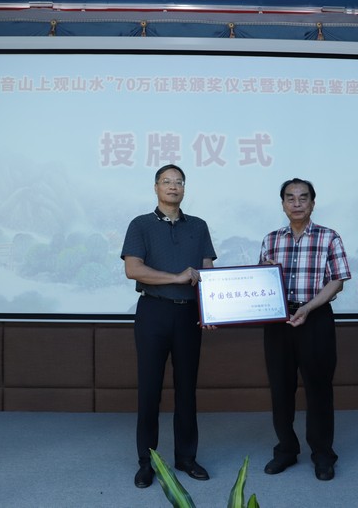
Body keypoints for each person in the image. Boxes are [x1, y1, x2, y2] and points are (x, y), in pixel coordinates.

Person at [121, 164, 217, 489]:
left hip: (189, 314)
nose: (173, 186)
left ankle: (186, 458)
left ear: (184, 189)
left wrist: (211, 310)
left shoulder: (199, 226)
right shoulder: (140, 224)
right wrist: (176, 277)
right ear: (156, 187)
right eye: (167, 181)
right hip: (153, 311)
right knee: (149, 389)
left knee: (186, 389)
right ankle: (146, 462)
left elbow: (207, 271)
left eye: (179, 182)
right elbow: (133, 270)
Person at [258, 177, 351, 481]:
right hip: (278, 321)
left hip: (316, 317)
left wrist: (308, 308)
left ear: (312, 203)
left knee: (319, 388)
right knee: (280, 388)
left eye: (303, 198)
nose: (296, 203)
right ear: (283, 204)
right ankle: (286, 449)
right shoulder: (271, 239)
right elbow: (261, 283)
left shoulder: (329, 237)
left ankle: (323, 454)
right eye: (290, 198)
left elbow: (337, 281)